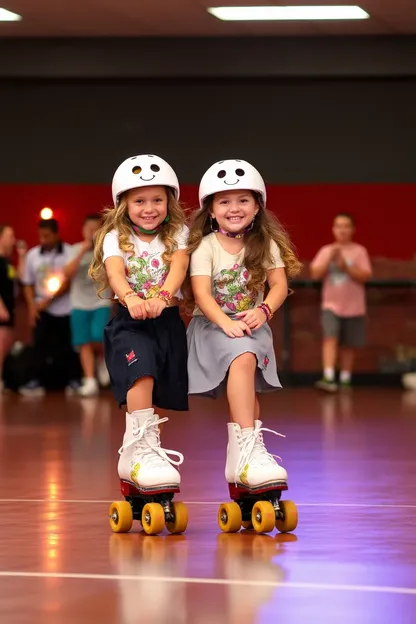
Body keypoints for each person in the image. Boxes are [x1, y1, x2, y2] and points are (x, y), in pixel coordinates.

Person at [186, 159, 301, 496]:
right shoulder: (205, 247)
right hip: (211, 326)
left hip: (252, 325)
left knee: (247, 374)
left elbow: (279, 285)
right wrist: (225, 322)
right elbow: (201, 294)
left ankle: (244, 455)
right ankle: (248, 451)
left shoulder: (265, 245)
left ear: (257, 206)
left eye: (242, 200)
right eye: (224, 201)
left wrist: (264, 310)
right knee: (244, 357)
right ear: (210, 210)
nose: (234, 208)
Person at [89, 154, 189, 497]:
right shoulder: (116, 236)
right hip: (129, 322)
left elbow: (178, 269)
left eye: (157, 199)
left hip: (167, 320)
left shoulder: (179, 232)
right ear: (124, 204)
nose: (150, 208)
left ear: (169, 201)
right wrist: (131, 297)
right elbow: (116, 272)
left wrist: (162, 296)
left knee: (159, 385)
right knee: (140, 370)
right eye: (140, 201)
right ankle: (143, 452)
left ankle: (135, 453)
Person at [310, 213, 372, 392]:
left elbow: (365, 276)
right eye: (338, 226)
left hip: (354, 306)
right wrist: (330, 259)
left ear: (352, 229)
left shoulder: (359, 251)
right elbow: (315, 274)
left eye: (346, 226)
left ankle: (345, 379)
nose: (342, 230)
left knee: (348, 344)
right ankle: (328, 377)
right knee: (330, 337)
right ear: (333, 229)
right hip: (331, 305)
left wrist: (347, 268)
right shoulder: (326, 250)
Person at [20, 218, 81, 396]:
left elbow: (69, 282)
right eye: (41, 236)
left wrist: (47, 300)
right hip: (41, 309)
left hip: (66, 308)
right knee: (39, 345)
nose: (43, 240)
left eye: (47, 236)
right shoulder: (33, 255)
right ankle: (35, 380)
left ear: (56, 234)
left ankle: (74, 380)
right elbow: (28, 283)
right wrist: (32, 306)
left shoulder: (69, 252)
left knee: (68, 345)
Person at [64, 214, 112, 397]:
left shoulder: (107, 249)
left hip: (101, 301)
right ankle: (90, 379)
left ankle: (101, 360)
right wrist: (81, 252)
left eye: (95, 229)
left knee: (98, 335)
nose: (92, 233)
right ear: (83, 231)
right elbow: (67, 273)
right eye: (89, 229)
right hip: (79, 303)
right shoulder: (74, 249)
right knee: (82, 341)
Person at [0, 225, 26, 391]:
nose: (13, 240)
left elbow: (19, 277)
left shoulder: (6, 263)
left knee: (5, 346)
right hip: (2, 311)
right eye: (10, 236)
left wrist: (22, 256)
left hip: (9, 310)